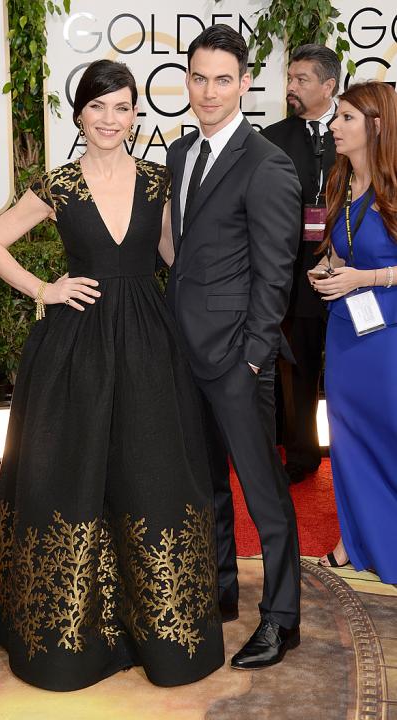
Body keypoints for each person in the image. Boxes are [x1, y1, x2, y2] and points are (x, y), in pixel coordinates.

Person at [0, 60, 224, 691]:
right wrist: (45, 289)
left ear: (136, 114)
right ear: (79, 113)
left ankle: (159, 633)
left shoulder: (159, 179)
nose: (111, 120)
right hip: (76, 347)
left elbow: (173, 256)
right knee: (73, 473)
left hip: (148, 343)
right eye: (98, 107)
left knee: (150, 470)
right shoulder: (57, 185)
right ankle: (71, 638)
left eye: (123, 107)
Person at [166, 24, 302, 670]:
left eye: (223, 79)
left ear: (246, 84)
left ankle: (282, 618)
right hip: (184, 349)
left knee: (263, 493)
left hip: (238, 358)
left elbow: (276, 274)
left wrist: (252, 356)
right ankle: (220, 592)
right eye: (199, 78)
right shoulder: (180, 152)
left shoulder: (267, 164)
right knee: (206, 485)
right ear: (187, 82)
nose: (210, 92)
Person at [309, 81, 397, 582]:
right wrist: (328, 268)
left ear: (376, 125)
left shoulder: (395, 185)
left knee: (387, 436)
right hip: (345, 332)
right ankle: (353, 539)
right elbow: (344, 251)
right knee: (347, 440)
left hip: (387, 337)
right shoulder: (339, 182)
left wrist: (367, 278)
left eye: (346, 118)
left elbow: (376, 267)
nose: (334, 126)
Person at [261, 44, 340, 485]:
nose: (291, 87)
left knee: (350, 367)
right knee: (295, 368)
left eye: (301, 80)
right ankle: (300, 452)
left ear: (329, 86)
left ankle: (355, 452)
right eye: (289, 79)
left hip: (350, 270)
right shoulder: (271, 139)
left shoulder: (358, 132)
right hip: (290, 274)